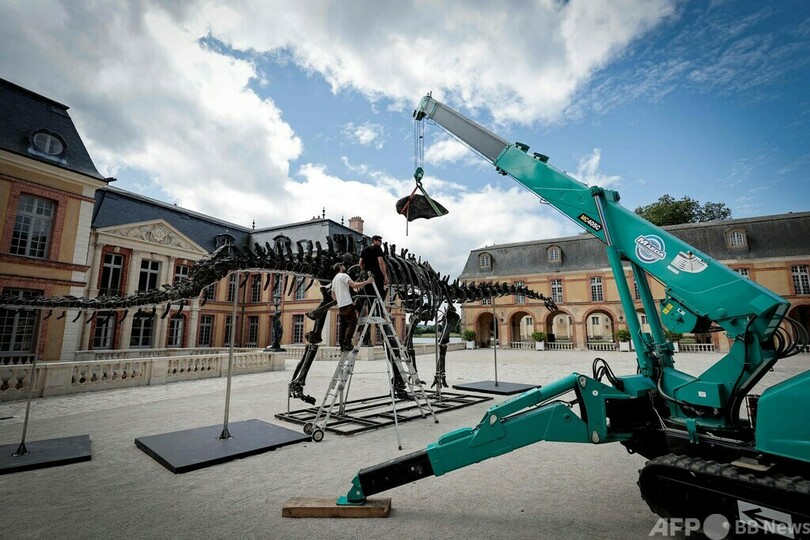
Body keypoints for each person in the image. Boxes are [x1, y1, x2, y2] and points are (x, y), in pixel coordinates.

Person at [331, 262, 372, 352]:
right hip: (347, 304)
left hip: (341, 306)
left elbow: (333, 294)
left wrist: (340, 300)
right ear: (340, 267)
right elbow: (354, 285)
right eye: (343, 265)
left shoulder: (334, 279)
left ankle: (342, 345)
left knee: (343, 326)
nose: (344, 266)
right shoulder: (344, 275)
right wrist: (367, 281)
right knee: (352, 323)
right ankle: (347, 343)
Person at [360, 235, 389, 301]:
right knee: (379, 296)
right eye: (379, 241)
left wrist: (364, 271)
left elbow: (360, 263)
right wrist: (385, 276)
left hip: (368, 276)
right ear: (373, 241)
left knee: (370, 297)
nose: (380, 243)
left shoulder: (364, 250)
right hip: (377, 276)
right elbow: (381, 262)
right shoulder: (378, 248)